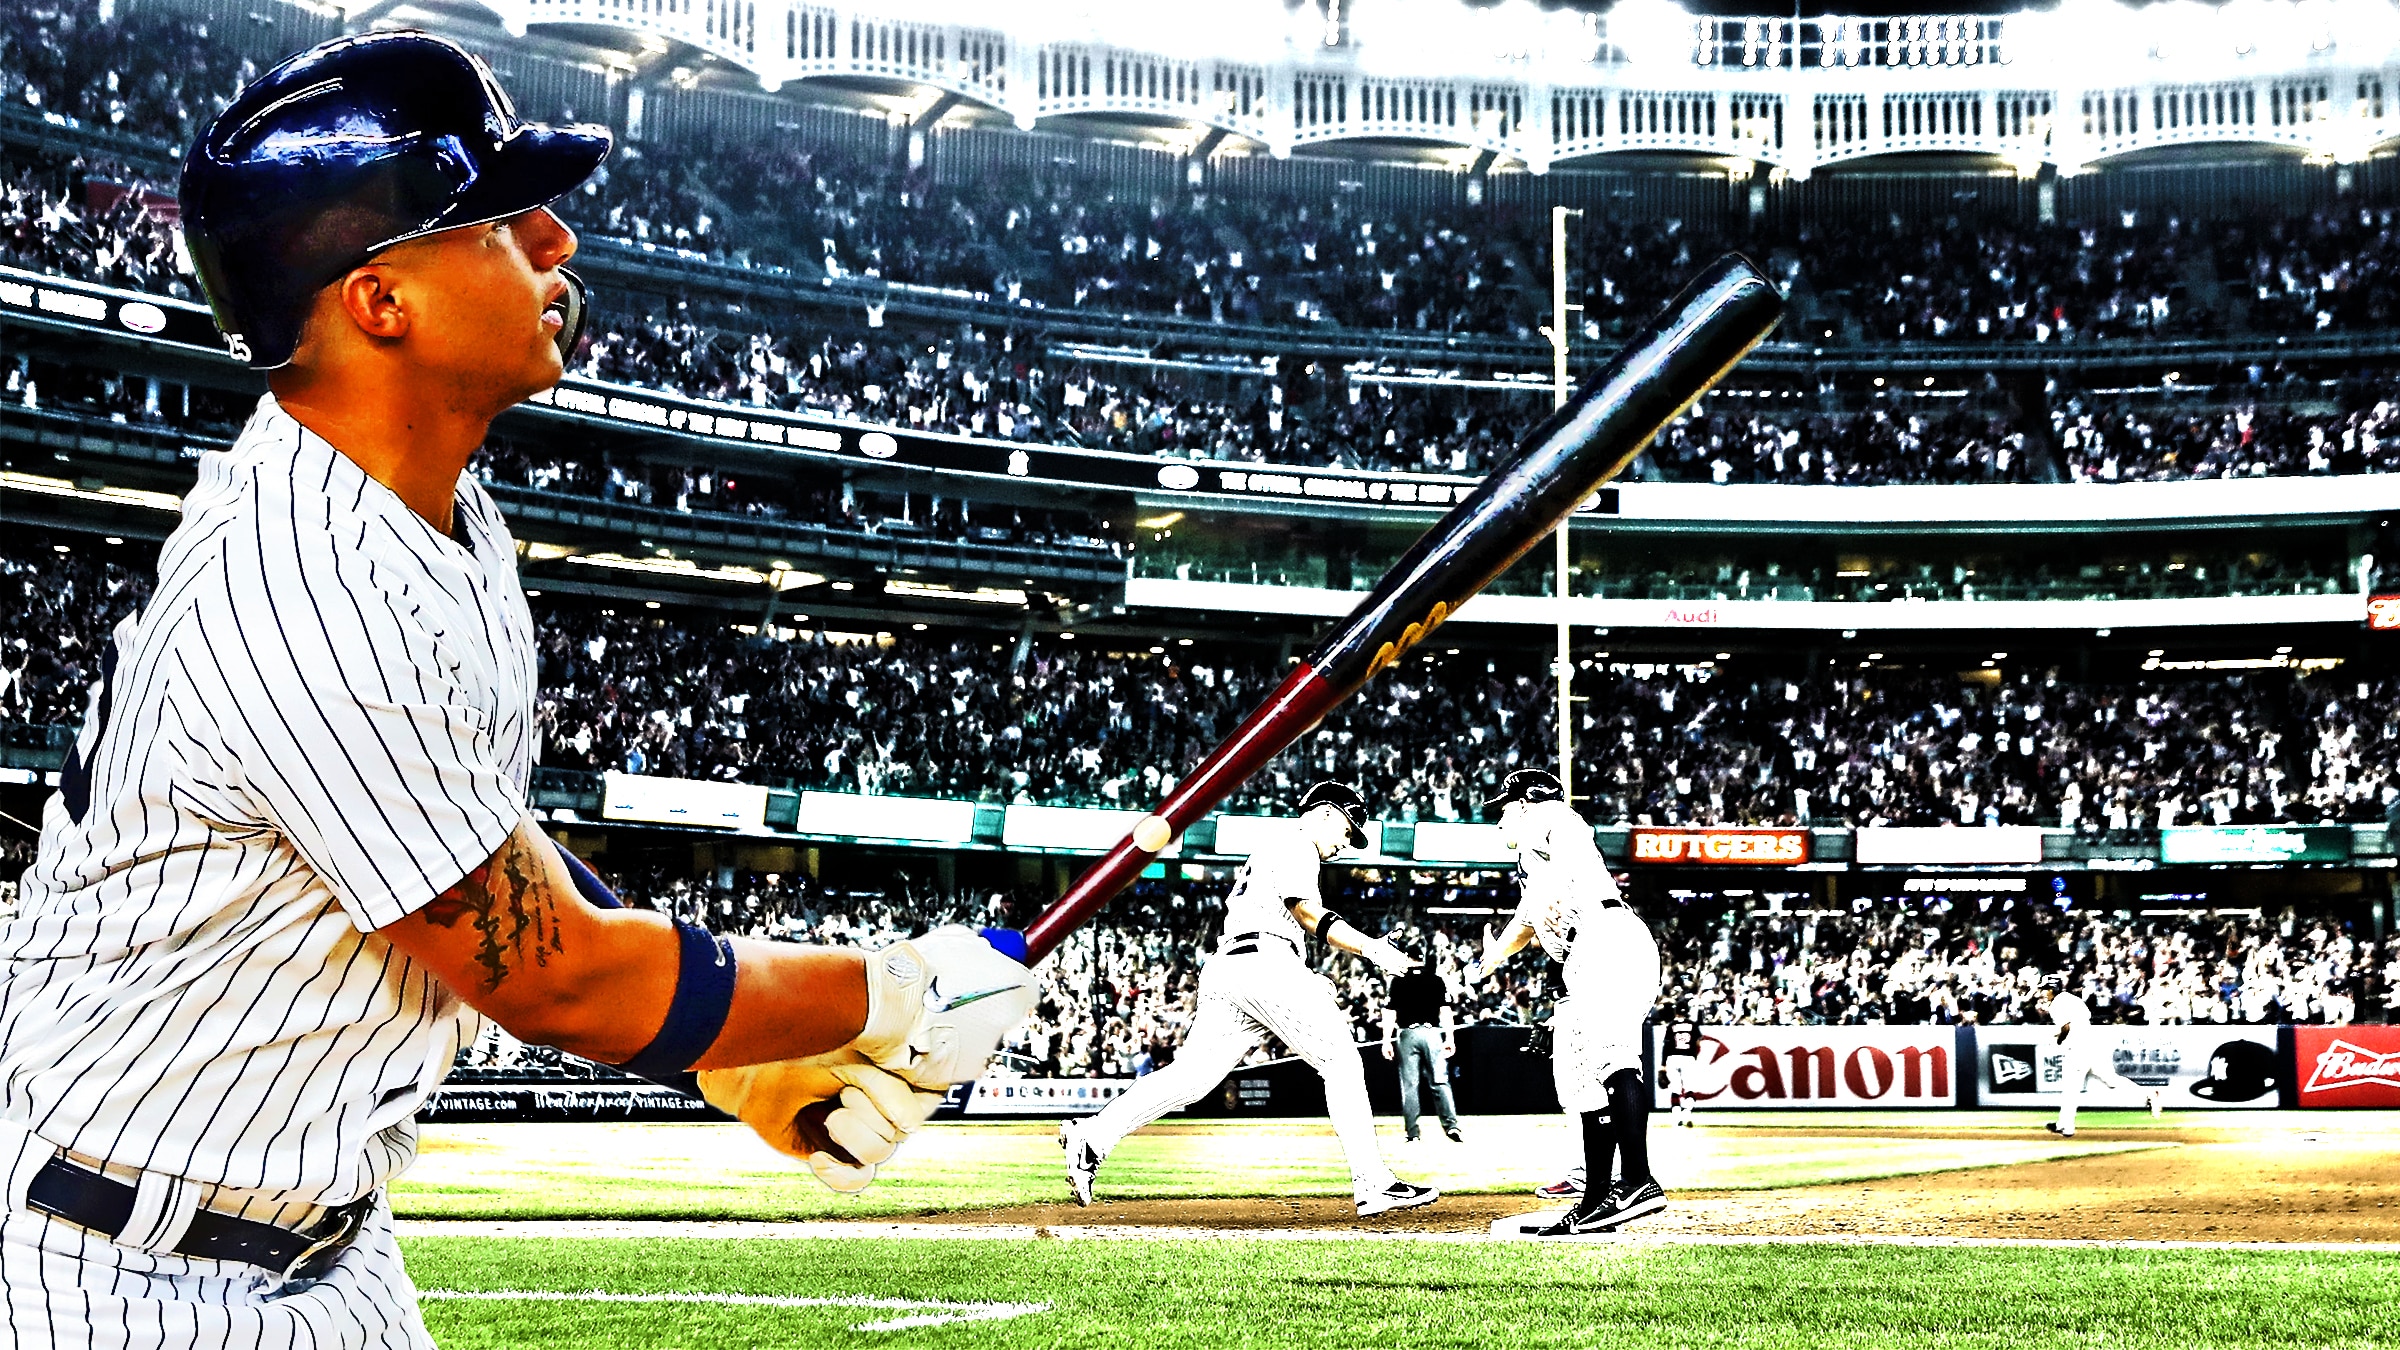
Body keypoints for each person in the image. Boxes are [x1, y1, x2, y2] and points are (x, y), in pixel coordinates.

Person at [0, 33, 1031, 1349]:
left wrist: (731, 1054)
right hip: (117, 1269)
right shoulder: (311, 594)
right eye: (497, 219)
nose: (555, 239)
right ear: (383, 301)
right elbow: (551, 977)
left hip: (329, 1243)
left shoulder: (435, 511)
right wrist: (887, 990)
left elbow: (494, 856)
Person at [1061, 781, 1438, 1218]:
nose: (1345, 845)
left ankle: (1094, 1136)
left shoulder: (1276, 846)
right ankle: (1373, 1183)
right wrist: (1372, 948)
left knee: (1190, 1080)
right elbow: (1306, 914)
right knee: (1340, 1060)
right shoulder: (1297, 844)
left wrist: (1304, 974)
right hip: (1263, 961)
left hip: (1232, 966)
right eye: (1348, 831)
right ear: (1327, 813)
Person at [1465, 769, 1665, 1236]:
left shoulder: (1551, 818)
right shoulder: (1536, 865)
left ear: (1524, 804)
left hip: (1605, 939)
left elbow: (1572, 836)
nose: (1499, 821)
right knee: (1582, 1086)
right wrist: (1490, 957)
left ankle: (1638, 1179)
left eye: (1504, 809)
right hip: (1589, 953)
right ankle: (1596, 1201)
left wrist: (1556, 880)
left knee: (1615, 1060)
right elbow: (1523, 927)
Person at [2040, 974, 2162, 1137]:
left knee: (2071, 1088)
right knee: (2112, 1080)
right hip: (2093, 1044)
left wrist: (2059, 1039)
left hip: (2077, 1049)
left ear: (2052, 988)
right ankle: (2148, 1093)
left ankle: (2066, 1127)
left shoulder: (2056, 1004)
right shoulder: (2072, 999)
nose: (2044, 992)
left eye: (2045, 989)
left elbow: (2066, 1027)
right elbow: (2080, 1020)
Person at [1382, 961, 1460, 1142]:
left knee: (1410, 1086)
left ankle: (1413, 1133)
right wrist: (1450, 1037)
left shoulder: (1398, 981)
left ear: (1407, 958)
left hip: (1407, 1034)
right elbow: (1446, 1011)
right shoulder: (1436, 980)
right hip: (1432, 1033)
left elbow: (1390, 1013)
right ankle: (1452, 1126)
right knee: (1440, 1081)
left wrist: (1386, 1041)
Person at [1660, 1007, 1703, 1127]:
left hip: (1672, 1058)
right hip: (1688, 1058)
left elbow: (1666, 1045)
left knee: (1675, 1089)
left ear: (1676, 1012)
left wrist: (1663, 1065)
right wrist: (1694, 1056)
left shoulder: (1671, 1025)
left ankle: (1676, 1117)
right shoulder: (1692, 1025)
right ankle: (1687, 1112)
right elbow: (1698, 1043)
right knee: (1690, 1089)